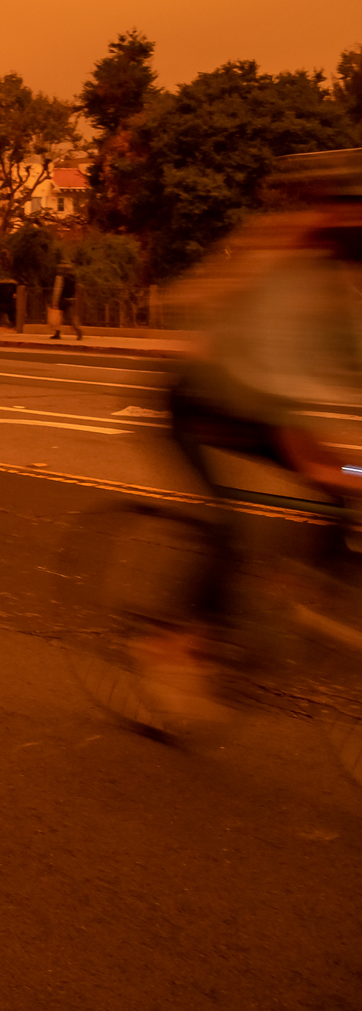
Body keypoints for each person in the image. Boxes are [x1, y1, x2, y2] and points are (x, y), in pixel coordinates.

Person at [145, 149, 362, 719]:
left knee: (347, 489)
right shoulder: (281, 268)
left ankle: (302, 592)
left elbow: (349, 365)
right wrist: (323, 462)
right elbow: (278, 379)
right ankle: (171, 645)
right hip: (204, 403)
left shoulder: (339, 279)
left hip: (269, 409)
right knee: (231, 530)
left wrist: (346, 469)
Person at [48, 262, 84, 340]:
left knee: (58, 317)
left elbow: (58, 289)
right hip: (70, 299)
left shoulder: (60, 277)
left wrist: (55, 301)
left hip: (62, 299)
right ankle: (78, 330)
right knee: (72, 317)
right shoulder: (73, 278)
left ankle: (57, 333)